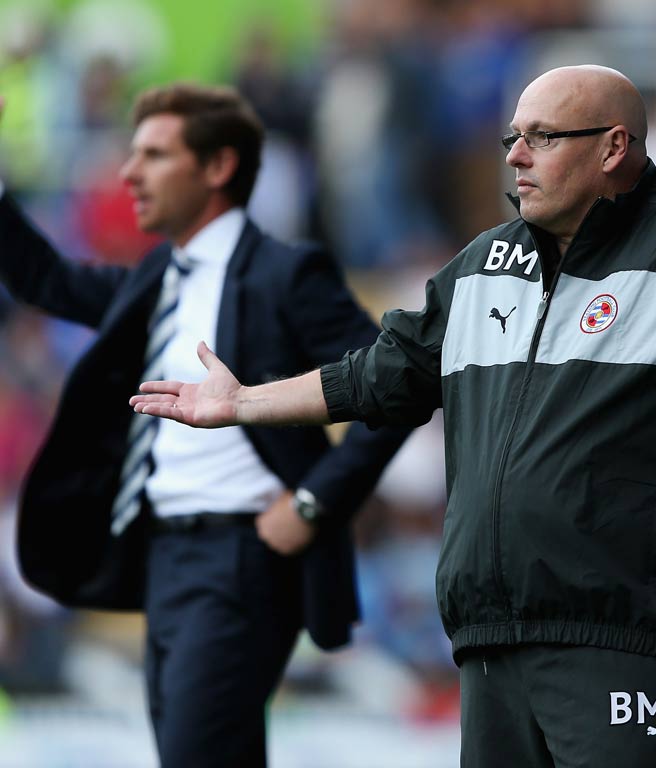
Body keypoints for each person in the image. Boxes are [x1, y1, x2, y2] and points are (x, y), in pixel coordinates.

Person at [131, 66, 656, 768]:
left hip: (619, 647)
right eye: (513, 137)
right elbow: (378, 378)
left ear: (614, 148)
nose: (515, 155)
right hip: (490, 647)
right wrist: (242, 404)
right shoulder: (482, 265)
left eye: (543, 137)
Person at [0, 85, 408, 766]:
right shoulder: (159, 275)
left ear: (217, 167)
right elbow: (48, 282)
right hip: (164, 558)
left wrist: (313, 502)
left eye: (155, 155)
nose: (129, 174)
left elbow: (395, 388)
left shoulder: (287, 273)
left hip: (242, 558)